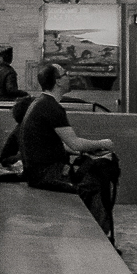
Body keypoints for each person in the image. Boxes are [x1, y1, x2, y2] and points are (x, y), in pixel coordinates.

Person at [14, 65, 120, 242]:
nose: (68, 77)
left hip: (39, 170)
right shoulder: (51, 107)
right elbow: (75, 143)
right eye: (65, 74)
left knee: (92, 172)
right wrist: (102, 143)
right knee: (94, 182)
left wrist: (92, 150)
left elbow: (59, 144)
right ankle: (100, 238)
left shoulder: (42, 103)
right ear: (57, 81)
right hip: (46, 173)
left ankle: (100, 233)